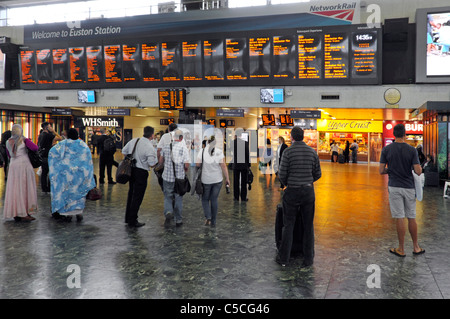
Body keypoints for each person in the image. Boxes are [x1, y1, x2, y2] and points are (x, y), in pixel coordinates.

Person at [277, 126, 322, 267]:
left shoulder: (288, 152)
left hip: (292, 192)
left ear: (292, 137)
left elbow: (282, 173)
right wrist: (307, 181)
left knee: (288, 225)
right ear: (303, 136)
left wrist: (287, 184)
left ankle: (284, 258)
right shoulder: (312, 152)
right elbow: (318, 173)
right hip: (308, 192)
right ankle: (308, 259)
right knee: (308, 226)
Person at [379, 123, 424, 258]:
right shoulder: (412, 150)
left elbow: (381, 170)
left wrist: (391, 170)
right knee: (411, 217)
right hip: (409, 187)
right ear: (405, 134)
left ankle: (401, 249)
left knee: (399, 217)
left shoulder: (387, 149)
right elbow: (417, 171)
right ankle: (416, 247)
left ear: (394, 134)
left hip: (394, 186)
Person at [48, 128, 96, 222]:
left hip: (67, 176)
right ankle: (79, 213)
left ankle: (68, 214)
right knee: (79, 194)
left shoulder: (63, 144)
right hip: (80, 175)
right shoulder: (83, 145)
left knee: (68, 193)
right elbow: (88, 160)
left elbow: (52, 152)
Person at [122, 126, 158, 228]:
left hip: (131, 171)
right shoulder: (149, 146)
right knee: (137, 197)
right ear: (152, 135)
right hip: (141, 173)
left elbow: (124, 151)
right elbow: (152, 164)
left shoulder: (134, 140)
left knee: (131, 194)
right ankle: (133, 220)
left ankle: (128, 218)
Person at [3, 124, 38, 221]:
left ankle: (16, 212)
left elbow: (9, 155)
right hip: (24, 165)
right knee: (25, 188)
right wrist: (26, 140)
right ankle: (24, 213)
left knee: (15, 189)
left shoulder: (8, 142)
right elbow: (35, 148)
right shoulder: (24, 140)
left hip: (14, 166)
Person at [196, 136, 230, 227]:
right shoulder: (219, 152)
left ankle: (208, 217)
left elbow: (198, 164)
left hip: (206, 180)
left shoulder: (202, 151)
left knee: (205, 199)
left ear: (207, 142)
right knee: (214, 199)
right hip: (217, 180)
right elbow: (223, 166)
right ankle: (214, 221)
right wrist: (227, 178)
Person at [159, 129, 190, 227]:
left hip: (167, 177)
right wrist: (185, 169)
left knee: (167, 196)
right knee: (178, 198)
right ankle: (178, 220)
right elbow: (187, 164)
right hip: (179, 178)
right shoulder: (183, 149)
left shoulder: (166, 147)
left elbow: (160, 161)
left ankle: (168, 211)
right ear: (181, 138)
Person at [38, 122, 62, 193]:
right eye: (50, 126)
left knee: (44, 172)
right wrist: (53, 131)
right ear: (46, 128)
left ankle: (44, 188)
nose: (51, 127)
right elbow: (60, 138)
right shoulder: (49, 135)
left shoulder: (41, 135)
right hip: (48, 155)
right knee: (50, 171)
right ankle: (49, 187)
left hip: (42, 155)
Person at [232, 131, 250, 201]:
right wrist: (249, 165)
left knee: (235, 181)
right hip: (244, 165)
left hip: (236, 165)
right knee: (243, 182)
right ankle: (243, 197)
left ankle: (236, 197)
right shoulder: (245, 143)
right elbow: (247, 154)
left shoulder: (233, 143)